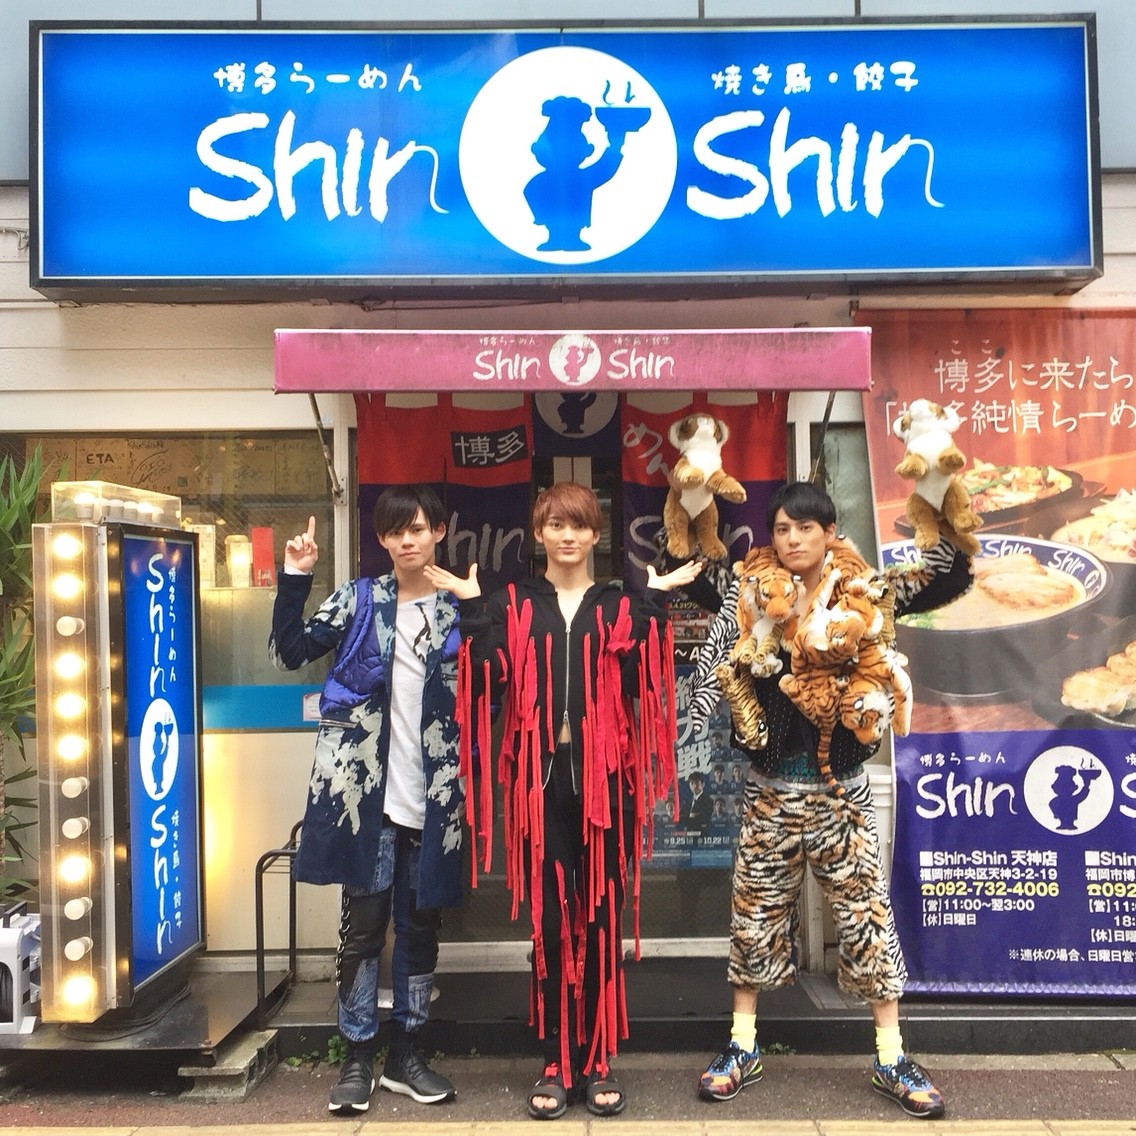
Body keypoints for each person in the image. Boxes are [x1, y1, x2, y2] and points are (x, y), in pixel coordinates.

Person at [689, 481, 972, 1120]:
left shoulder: (863, 588)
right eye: (782, 528)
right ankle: (742, 1046)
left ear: (830, 532)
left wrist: (938, 496)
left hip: (841, 790)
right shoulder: (749, 591)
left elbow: (946, 576)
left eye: (805, 528)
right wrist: (691, 504)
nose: (792, 539)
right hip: (770, 790)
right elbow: (692, 578)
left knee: (868, 918)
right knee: (753, 918)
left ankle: (891, 1055)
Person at [427, 482, 700, 1120]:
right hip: (540, 785)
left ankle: (598, 1057)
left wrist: (653, 604)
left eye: (578, 524)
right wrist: (473, 609)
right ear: (539, 532)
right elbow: (491, 678)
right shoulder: (513, 601)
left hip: (608, 782)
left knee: (601, 919)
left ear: (596, 533)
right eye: (555, 524)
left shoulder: (619, 602)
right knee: (549, 922)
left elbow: (639, 681)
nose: (567, 535)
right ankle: (555, 1059)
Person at [269, 486, 464, 1115]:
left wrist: (478, 605)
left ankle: (407, 1054)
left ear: (438, 532)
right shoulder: (358, 599)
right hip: (365, 795)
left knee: (421, 927)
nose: (408, 540)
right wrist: (295, 576)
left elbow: (498, 685)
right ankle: (356, 1056)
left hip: (434, 792)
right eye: (395, 531)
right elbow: (291, 652)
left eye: (418, 528)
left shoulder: (457, 608)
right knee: (363, 927)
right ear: (381, 539)